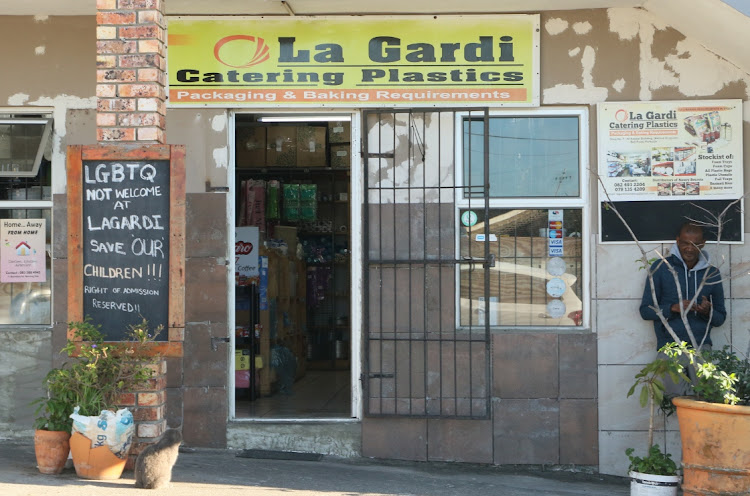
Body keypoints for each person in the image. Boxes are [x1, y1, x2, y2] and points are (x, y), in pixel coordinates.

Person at [639, 222, 726, 394]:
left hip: (701, 347)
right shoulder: (661, 267)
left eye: (695, 244)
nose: (689, 248)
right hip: (670, 348)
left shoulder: (712, 273)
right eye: (685, 243)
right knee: (675, 400)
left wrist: (707, 312)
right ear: (677, 241)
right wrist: (672, 308)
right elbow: (645, 310)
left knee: (705, 401)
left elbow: (720, 318)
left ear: (703, 243)